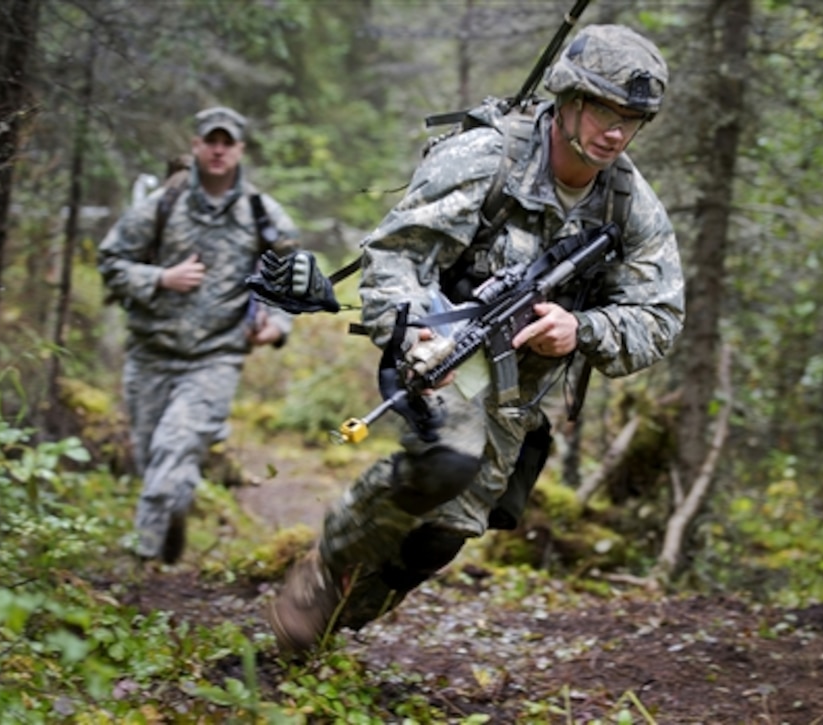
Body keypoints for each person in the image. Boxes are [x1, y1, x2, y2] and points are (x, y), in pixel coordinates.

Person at [265, 24, 684, 654]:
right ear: (567, 98)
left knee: (441, 537)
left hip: (515, 396)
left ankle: (329, 625)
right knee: (445, 462)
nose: (616, 132)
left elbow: (660, 318)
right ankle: (326, 568)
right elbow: (395, 257)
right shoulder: (487, 158)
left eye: (632, 119)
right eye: (603, 109)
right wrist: (416, 340)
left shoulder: (629, 206)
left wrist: (584, 329)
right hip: (441, 348)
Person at [98, 106, 299, 564]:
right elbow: (110, 262)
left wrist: (276, 324)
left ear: (240, 150)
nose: (218, 149)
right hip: (150, 354)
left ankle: (139, 561)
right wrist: (160, 279)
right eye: (211, 140)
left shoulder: (261, 212)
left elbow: (293, 281)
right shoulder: (161, 206)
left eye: (228, 142)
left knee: (174, 448)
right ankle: (174, 516)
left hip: (216, 358)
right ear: (196, 145)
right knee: (158, 462)